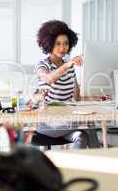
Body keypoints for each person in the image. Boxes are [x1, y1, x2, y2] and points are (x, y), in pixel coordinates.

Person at [35, 20, 88, 149]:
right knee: (91, 130)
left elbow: (76, 97)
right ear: (49, 44)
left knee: (83, 136)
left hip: (66, 122)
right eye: (58, 44)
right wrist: (67, 65)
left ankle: (78, 167)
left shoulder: (69, 67)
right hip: (47, 125)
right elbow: (48, 78)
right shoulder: (43, 64)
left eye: (66, 44)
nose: (63, 48)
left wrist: (82, 94)